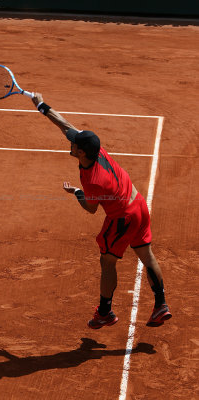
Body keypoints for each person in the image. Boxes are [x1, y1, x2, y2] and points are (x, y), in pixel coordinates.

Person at [31, 93, 172, 329]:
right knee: (146, 255)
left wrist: (76, 192)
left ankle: (105, 312)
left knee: (107, 262)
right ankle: (161, 305)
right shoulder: (96, 150)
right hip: (138, 205)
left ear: (82, 152)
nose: (71, 143)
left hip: (122, 219)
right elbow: (66, 125)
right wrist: (41, 106)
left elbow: (90, 208)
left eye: (74, 144)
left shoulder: (94, 181)